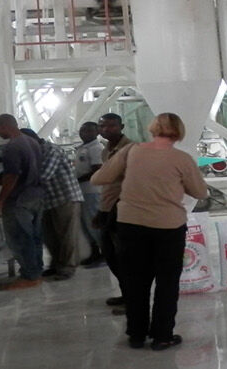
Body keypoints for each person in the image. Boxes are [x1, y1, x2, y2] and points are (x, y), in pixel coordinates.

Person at [91, 112, 208, 351]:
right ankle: (162, 335)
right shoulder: (181, 159)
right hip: (168, 226)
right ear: (178, 132)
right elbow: (200, 192)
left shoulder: (130, 151)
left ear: (152, 128)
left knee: (135, 281)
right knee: (167, 283)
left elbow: (99, 178)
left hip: (130, 224)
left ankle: (136, 334)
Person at [0, 116, 49, 290]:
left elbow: (12, 176)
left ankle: (29, 276)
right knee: (34, 237)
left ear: (2, 126)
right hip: (36, 195)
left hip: (19, 198)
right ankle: (36, 272)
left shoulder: (12, 146)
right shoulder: (32, 142)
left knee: (20, 238)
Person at [19, 127, 85, 280]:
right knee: (50, 236)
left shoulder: (51, 151)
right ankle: (56, 265)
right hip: (48, 200)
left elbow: (44, 175)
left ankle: (68, 267)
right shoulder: (34, 153)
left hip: (65, 198)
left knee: (66, 235)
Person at [94, 113, 134, 314]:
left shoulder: (130, 150)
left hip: (122, 210)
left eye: (111, 126)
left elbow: (131, 183)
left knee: (124, 257)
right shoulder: (107, 150)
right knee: (110, 255)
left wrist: (115, 210)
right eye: (103, 126)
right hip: (107, 207)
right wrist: (101, 211)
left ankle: (133, 300)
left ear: (121, 126)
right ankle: (127, 294)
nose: (107, 129)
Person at [74, 121, 106, 267]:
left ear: (96, 132)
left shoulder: (96, 148)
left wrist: (76, 180)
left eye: (88, 131)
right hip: (83, 191)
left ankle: (105, 254)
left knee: (94, 222)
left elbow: (97, 170)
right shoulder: (83, 148)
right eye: (82, 130)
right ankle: (95, 252)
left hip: (93, 191)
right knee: (86, 224)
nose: (84, 133)